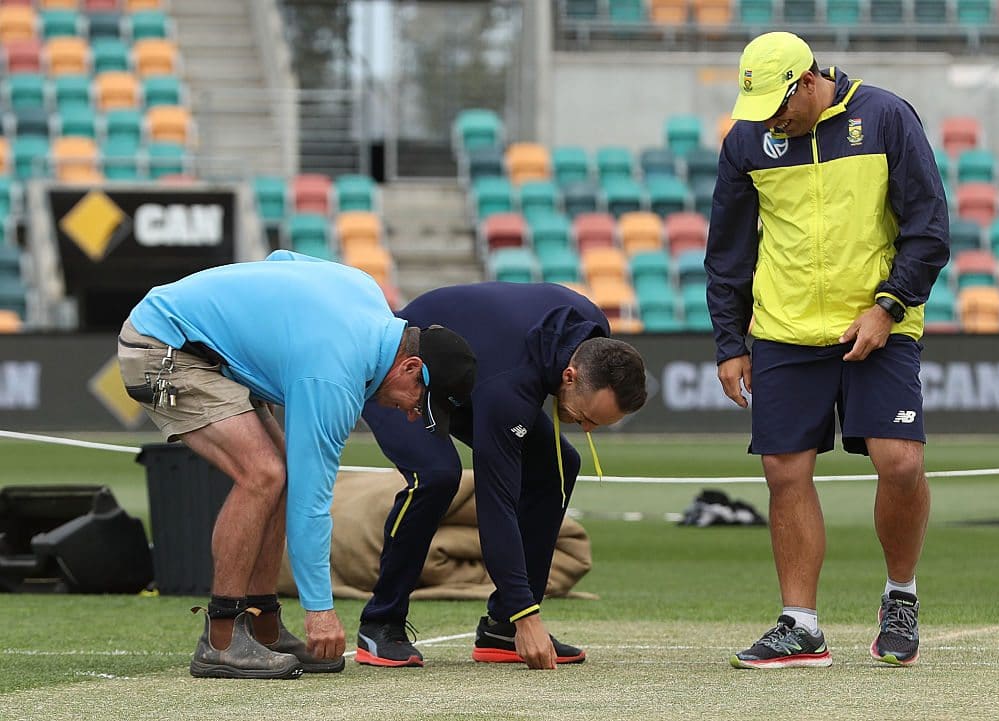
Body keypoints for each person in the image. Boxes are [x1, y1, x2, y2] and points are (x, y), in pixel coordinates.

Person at [705, 31, 949, 669]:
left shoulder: (887, 116)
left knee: (898, 462)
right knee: (784, 473)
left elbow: (929, 225)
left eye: (780, 107)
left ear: (808, 80)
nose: (772, 122)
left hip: (880, 325)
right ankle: (801, 625)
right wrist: (731, 343)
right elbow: (728, 251)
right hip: (782, 330)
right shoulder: (746, 140)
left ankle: (901, 596)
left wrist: (888, 305)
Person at [117, 250, 476, 679]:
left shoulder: (366, 292)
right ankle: (221, 638)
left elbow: (281, 259)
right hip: (161, 344)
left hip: (204, 347)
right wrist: (320, 612)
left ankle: (265, 628)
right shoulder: (333, 379)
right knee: (264, 474)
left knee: (279, 477)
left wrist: (264, 342)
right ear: (410, 365)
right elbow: (311, 506)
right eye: (422, 400)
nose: (414, 414)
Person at [352, 282, 648, 670]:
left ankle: (502, 628)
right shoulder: (512, 386)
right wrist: (529, 615)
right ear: (570, 376)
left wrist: (517, 611)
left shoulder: (593, 334)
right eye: (587, 417)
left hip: (481, 375)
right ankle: (380, 622)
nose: (587, 429)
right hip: (400, 367)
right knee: (438, 474)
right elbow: (496, 506)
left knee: (559, 466)